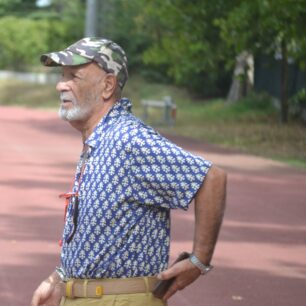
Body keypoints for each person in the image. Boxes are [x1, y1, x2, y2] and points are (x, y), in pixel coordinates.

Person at [31, 37, 227, 306]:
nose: (60, 85)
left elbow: (211, 178)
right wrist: (59, 280)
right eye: (62, 76)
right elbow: (99, 238)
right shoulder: (101, 139)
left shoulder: (128, 139)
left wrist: (199, 260)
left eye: (73, 76)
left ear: (107, 85)